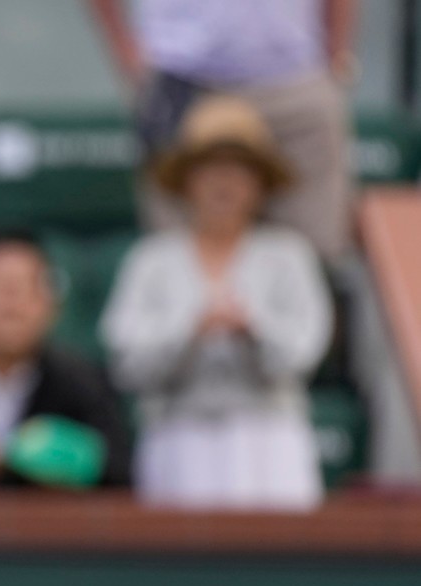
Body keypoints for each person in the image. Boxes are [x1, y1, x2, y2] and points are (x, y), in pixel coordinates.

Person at [100, 96, 332, 512]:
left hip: (271, 438)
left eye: (239, 170)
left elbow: (304, 351)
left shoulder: (290, 256)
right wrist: (191, 330)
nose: (224, 182)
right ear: (188, 180)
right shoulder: (151, 260)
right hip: (176, 435)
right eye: (210, 168)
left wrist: (251, 329)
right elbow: (126, 358)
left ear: (260, 183)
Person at [88, 0, 357, 264]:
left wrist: (335, 57)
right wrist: (126, 52)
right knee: (173, 260)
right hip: (181, 80)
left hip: (295, 79)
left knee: (313, 262)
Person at [0, 231, 132, 487]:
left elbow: (120, 470)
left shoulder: (83, 382)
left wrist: (69, 460)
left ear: (52, 303)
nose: (10, 301)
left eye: (26, 286)